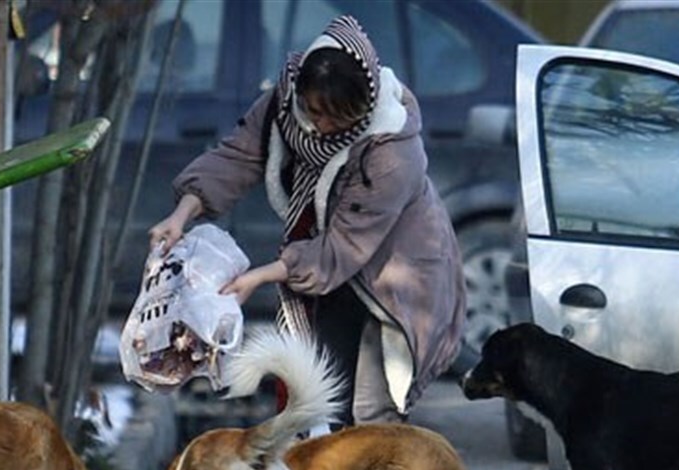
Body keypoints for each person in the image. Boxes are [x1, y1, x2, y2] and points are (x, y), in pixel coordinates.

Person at [149, 15, 466, 426]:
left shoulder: (391, 151)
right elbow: (237, 156)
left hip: (394, 273)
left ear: (366, 106)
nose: (322, 126)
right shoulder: (284, 103)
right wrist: (181, 215)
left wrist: (261, 276)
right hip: (321, 262)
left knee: (370, 411)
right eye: (315, 111)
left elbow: (343, 247)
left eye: (340, 118)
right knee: (316, 396)